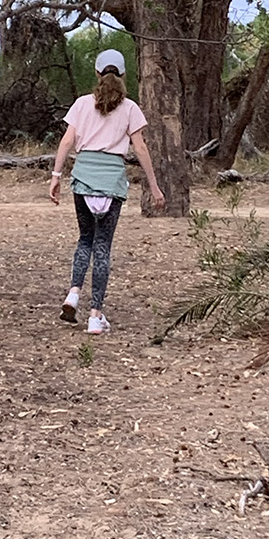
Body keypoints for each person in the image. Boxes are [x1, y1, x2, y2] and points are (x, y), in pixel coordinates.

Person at [49, 48, 165, 333]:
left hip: (83, 179)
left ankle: (73, 294)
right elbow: (140, 147)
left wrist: (55, 176)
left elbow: (66, 142)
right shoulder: (130, 109)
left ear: (98, 73)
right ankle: (95, 315)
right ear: (123, 75)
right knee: (102, 246)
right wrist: (154, 186)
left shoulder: (81, 104)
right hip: (112, 183)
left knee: (85, 240)